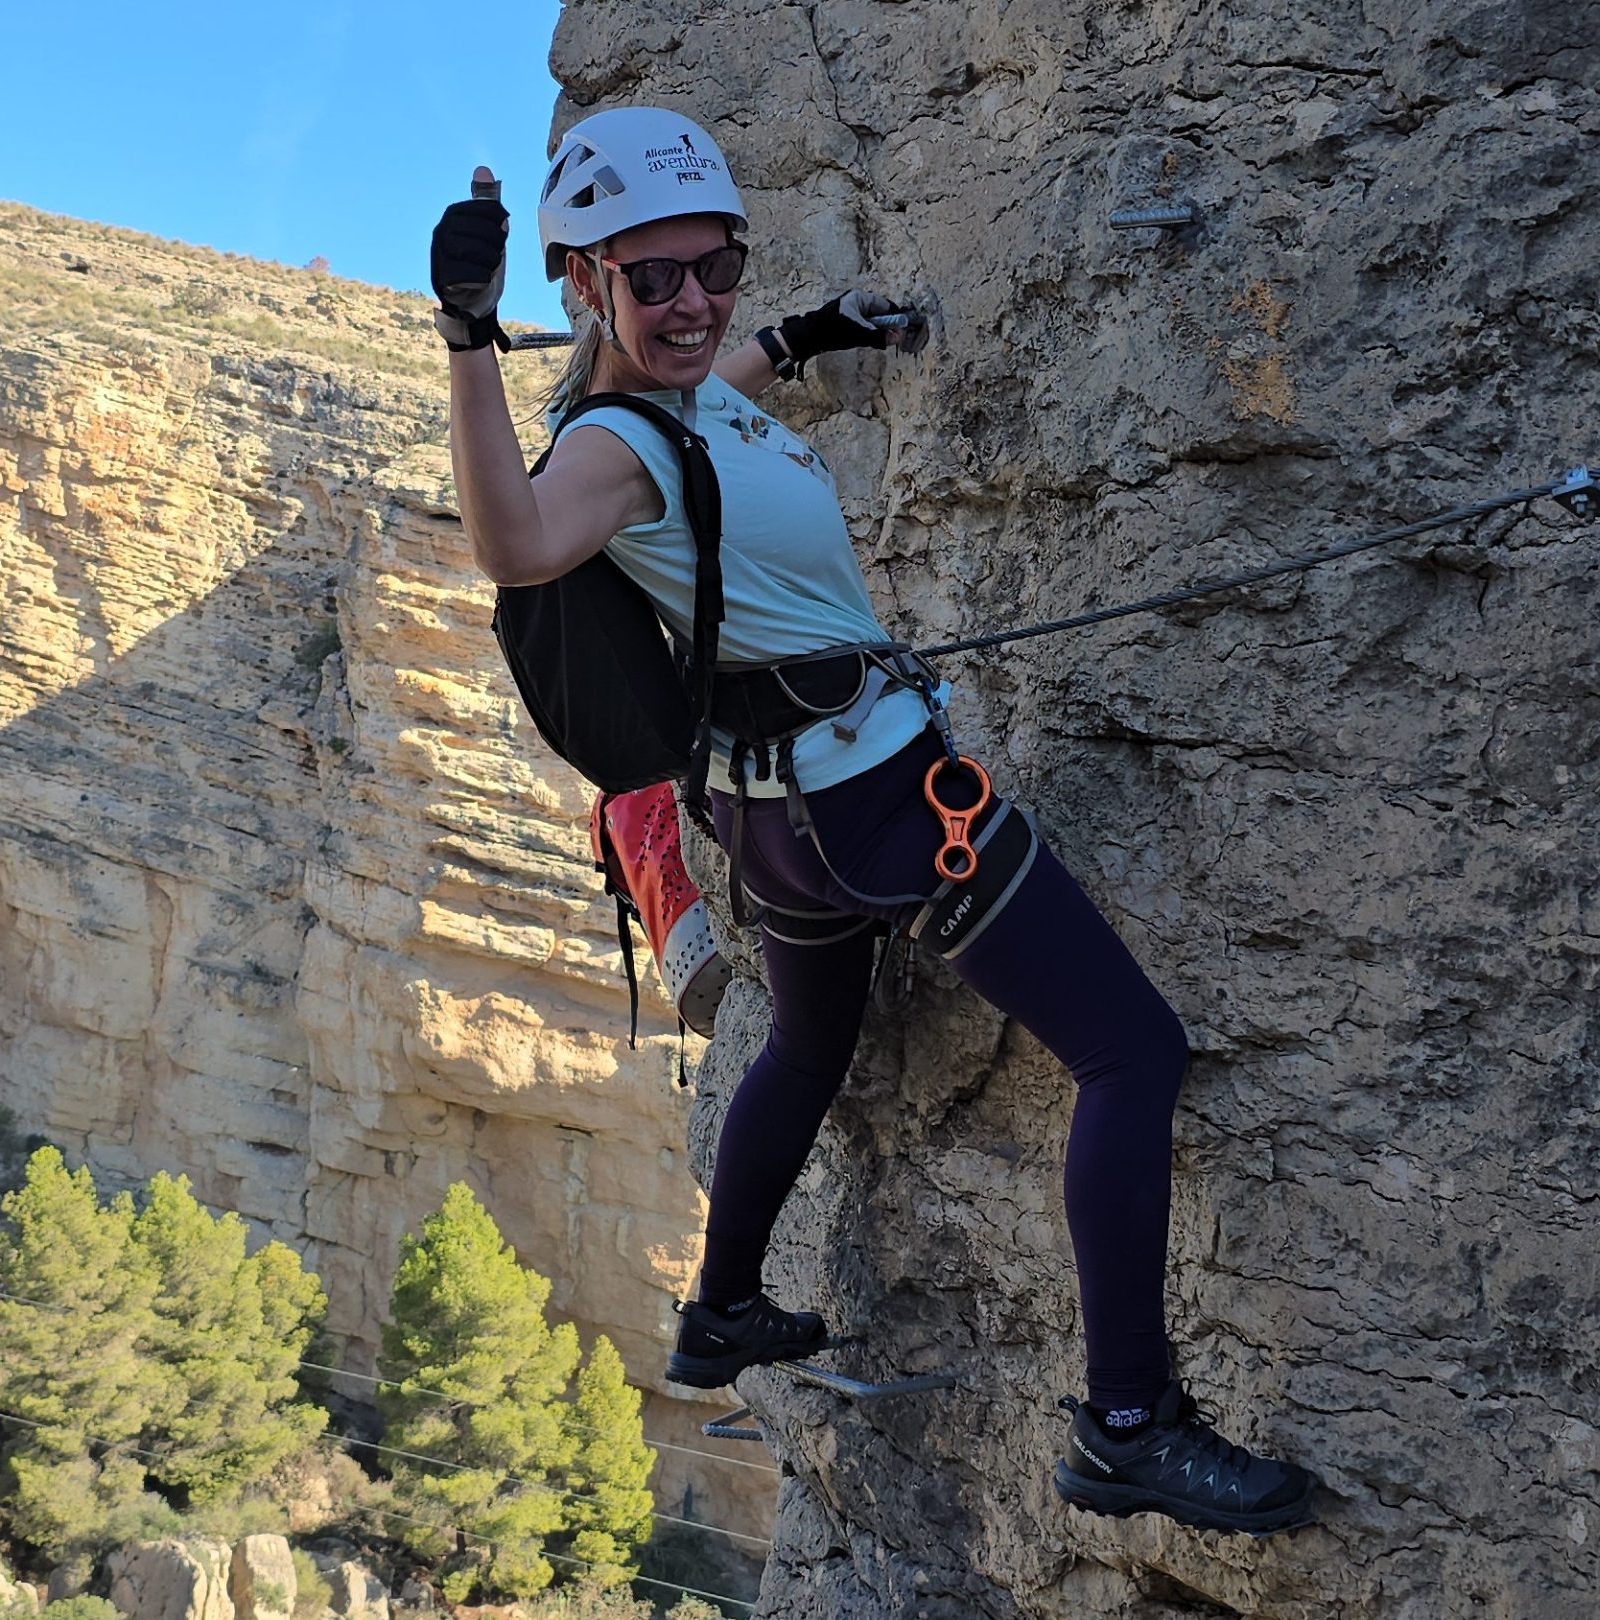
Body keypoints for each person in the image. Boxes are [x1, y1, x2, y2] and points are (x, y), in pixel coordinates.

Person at [430, 106, 1318, 1535]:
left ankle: (721, 1308)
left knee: (807, 1042)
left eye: (716, 266)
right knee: (1130, 1051)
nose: (694, 302)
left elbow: (707, 397)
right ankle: (1127, 1424)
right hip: (876, 803)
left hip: (775, 820)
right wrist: (467, 337)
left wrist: (800, 337)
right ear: (583, 282)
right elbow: (517, 542)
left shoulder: (678, 404)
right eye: (652, 278)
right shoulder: (612, 450)